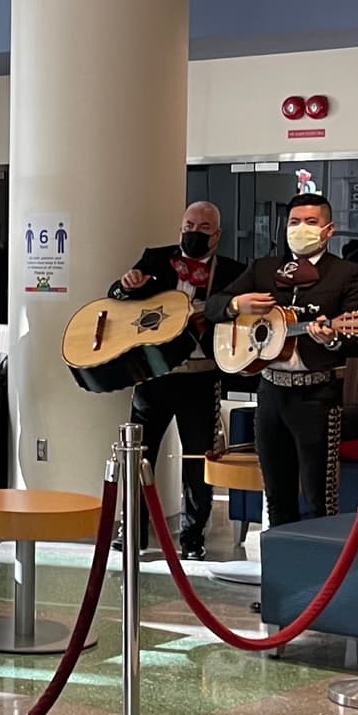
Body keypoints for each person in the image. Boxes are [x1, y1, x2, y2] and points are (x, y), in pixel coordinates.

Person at [206, 194, 358, 532]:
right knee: (277, 496)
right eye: (295, 222)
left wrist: (333, 336)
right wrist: (237, 304)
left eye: (310, 222)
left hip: (316, 396)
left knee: (318, 498)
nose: (301, 229)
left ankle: (322, 575)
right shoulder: (264, 269)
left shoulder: (347, 274)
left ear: (328, 230)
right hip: (269, 392)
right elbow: (212, 307)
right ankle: (280, 574)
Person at [107, 202, 245, 559]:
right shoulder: (156, 260)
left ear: (216, 234)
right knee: (138, 454)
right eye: (188, 224)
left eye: (202, 227)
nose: (193, 231)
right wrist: (125, 285)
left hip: (201, 378)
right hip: (154, 375)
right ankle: (132, 530)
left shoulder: (233, 272)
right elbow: (117, 297)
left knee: (199, 460)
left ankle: (192, 538)